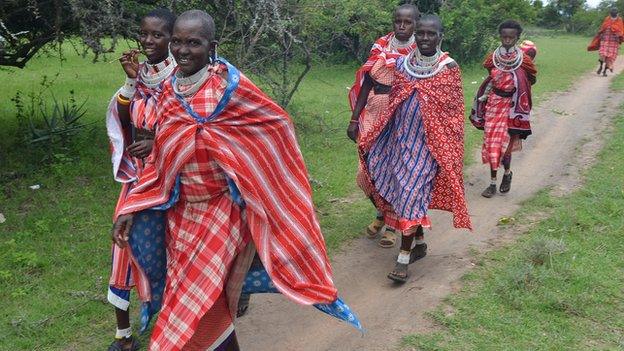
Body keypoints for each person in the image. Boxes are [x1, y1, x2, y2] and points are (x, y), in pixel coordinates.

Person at [111, 10, 360, 350]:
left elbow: (276, 126)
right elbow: (161, 159)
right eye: (178, 42)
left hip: (222, 214)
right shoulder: (170, 91)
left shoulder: (229, 87)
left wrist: (249, 174)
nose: (183, 50)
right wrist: (132, 204)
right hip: (182, 219)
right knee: (204, 302)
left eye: (194, 43)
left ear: (211, 46)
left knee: (189, 305)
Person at [356, 15, 471, 283]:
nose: (425, 38)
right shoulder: (404, 65)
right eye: (421, 33)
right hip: (400, 141)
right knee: (402, 191)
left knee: (410, 192)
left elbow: (453, 114)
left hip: (429, 147)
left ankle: (403, 260)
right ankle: (418, 242)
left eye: (431, 34)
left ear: (440, 36)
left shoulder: (448, 68)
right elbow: (394, 99)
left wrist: (445, 146)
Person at [104, 8, 176, 351]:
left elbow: (189, 127)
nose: (148, 41)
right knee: (123, 247)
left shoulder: (182, 74)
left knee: (168, 251)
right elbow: (124, 115)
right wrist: (132, 80)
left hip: (171, 180)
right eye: (144, 34)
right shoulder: (144, 73)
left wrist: (158, 141)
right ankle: (123, 336)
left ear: (172, 39)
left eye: (157, 35)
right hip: (138, 181)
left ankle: (174, 322)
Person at [347, 4, 419, 248]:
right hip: (373, 111)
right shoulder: (380, 45)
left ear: (415, 25)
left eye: (407, 22)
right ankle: (380, 212)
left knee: (395, 172)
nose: (401, 25)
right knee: (366, 172)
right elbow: (367, 82)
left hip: (401, 117)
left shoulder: (421, 51)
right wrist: (354, 119)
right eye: (398, 20)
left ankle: (391, 226)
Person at [470, 20, 537, 198]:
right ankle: (492, 183)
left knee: (504, 146)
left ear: (517, 38)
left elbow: (531, 79)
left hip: (511, 108)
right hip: (493, 105)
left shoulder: (524, 60)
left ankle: (506, 174)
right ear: (500, 36)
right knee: (492, 144)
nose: (507, 40)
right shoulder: (493, 58)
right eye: (504, 37)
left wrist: (520, 86)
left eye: (511, 37)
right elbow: (491, 79)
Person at [588, 8, 624, 76]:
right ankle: (601, 66)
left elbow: (621, 31)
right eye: (612, 15)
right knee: (602, 54)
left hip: (614, 41)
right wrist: (600, 35)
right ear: (610, 14)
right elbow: (603, 28)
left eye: (614, 15)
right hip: (605, 40)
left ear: (617, 14)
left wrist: (619, 34)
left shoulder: (620, 20)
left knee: (610, 57)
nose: (613, 17)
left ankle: (604, 71)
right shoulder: (607, 19)